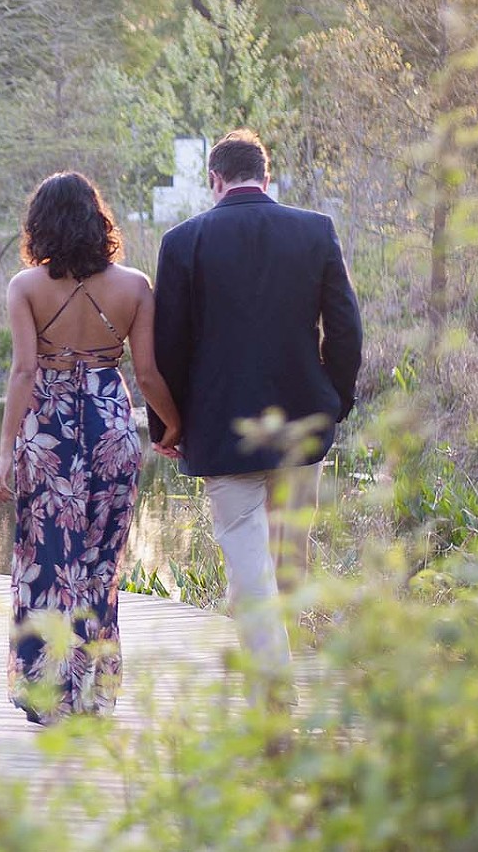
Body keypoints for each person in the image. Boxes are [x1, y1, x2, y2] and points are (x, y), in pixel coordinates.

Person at [149, 128, 362, 703]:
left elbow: (166, 346)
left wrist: (166, 424)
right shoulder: (315, 231)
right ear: (266, 177)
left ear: (214, 181)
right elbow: (345, 329)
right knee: (288, 563)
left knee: (252, 568)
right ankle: (271, 681)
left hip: (223, 432)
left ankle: (270, 689)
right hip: (302, 426)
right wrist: (333, 401)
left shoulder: (182, 242)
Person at [0, 172, 183, 724]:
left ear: (40, 226)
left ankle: (49, 699)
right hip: (110, 427)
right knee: (99, 567)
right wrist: (174, 427)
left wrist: (5, 453)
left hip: (47, 430)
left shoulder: (25, 287)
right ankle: (93, 696)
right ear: (99, 222)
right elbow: (145, 374)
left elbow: (25, 370)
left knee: (46, 564)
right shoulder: (135, 287)